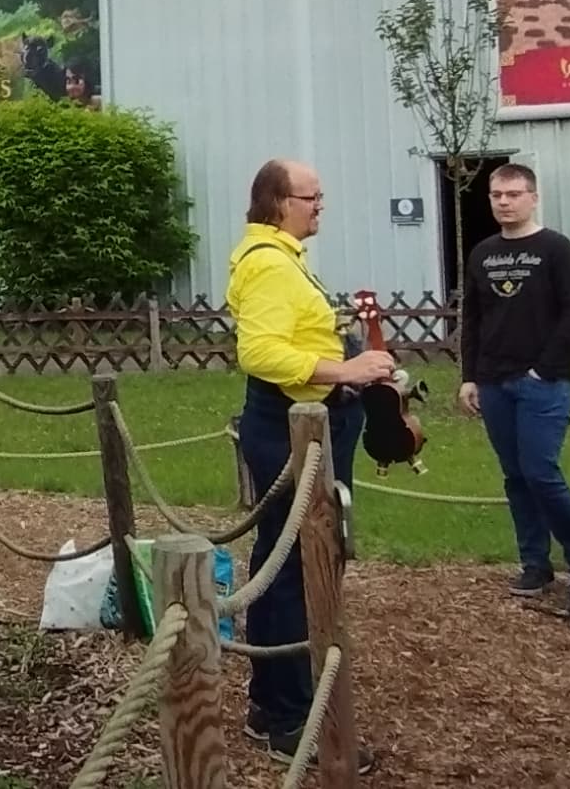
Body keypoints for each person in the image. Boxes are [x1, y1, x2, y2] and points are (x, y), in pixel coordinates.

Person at [229, 158, 391, 772]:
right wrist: (345, 371)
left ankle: (275, 704)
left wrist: (348, 349)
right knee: (298, 566)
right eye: (311, 196)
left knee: (290, 560)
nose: (320, 204)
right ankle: (289, 717)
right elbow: (262, 351)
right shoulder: (270, 263)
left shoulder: (281, 256)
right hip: (292, 423)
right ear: (277, 201)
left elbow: (290, 334)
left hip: (308, 418)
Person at [457, 161, 570, 594]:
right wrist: (470, 377)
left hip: (544, 384)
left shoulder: (556, 250)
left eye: (513, 194)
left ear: (533, 198)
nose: (504, 202)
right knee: (515, 476)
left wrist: (545, 370)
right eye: (497, 195)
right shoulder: (482, 253)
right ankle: (534, 564)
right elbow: (475, 320)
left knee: (540, 471)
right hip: (494, 383)